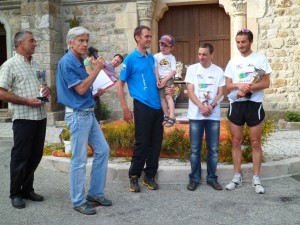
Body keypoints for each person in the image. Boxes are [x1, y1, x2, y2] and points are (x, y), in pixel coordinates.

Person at [56, 26, 111, 215]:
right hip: (78, 115)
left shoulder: (79, 61)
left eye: (86, 40)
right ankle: (78, 201)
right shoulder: (68, 62)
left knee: (103, 150)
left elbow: (86, 88)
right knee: (79, 160)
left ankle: (95, 193)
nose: (85, 44)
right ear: (70, 42)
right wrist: (97, 69)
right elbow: (80, 89)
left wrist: (97, 89)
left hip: (87, 112)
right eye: (80, 40)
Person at [117, 25, 172, 193]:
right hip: (142, 107)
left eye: (150, 36)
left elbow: (159, 81)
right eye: (146, 36)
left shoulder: (151, 58)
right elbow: (119, 84)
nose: (149, 39)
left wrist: (167, 90)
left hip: (157, 107)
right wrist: (125, 109)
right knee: (142, 143)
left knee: (156, 144)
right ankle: (134, 177)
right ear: (137, 38)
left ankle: (149, 176)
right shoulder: (130, 59)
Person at [0, 31, 51, 209]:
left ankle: (27, 189)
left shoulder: (36, 64)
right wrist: (25, 101)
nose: (35, 43)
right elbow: (1, 92)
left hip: (40, 116)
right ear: (20, 43)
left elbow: (43, 86)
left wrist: (47, 91)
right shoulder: (9, 65)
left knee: (35, 155)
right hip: (23, 118)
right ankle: (15, 193)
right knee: (20, 157)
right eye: (32, 40)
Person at [224, 29, 272, 194]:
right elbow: (227, 85)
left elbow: (266, 83)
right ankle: (236, 176)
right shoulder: (233, 61)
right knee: (236, 141)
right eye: (238, 42)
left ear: (250, 41)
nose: (240, 45)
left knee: (255, 143)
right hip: (237, 104)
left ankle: (256, 178)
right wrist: (239, 86)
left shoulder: (260, 59)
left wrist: (249, 87)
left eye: (243, 42)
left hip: (254, 104)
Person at [185, 43, 225, 191]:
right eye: (199, 54)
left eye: (204, 54)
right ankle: (194, 179)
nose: (201, 57)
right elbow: (190, 91)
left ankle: (211, 179)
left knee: (213, 149)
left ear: (211, 55)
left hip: (213, 116)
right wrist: (201, 107)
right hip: (196, 115)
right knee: (195, 149)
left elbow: (221, 93)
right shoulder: (192, 69)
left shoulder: (219, 71)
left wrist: (211, 106)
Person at [84, 52, 123, 121]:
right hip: (89, 89)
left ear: (119, 64)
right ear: (112, 58)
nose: (115, 62)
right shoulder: (105, 64)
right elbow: (95, 66)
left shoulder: (113, 72)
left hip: (96, 92)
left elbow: (118, 78)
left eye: (118, 62)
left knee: (97, 113)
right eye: (115, 60)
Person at [154, 35, 176, 127]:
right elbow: (156, 69)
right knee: (162, 99)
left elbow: (173, 71)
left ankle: (172, 116)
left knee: (168, 97)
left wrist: (165, 80)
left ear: (171, 47)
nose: (163, 47)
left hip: (168, 79)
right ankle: (166, 115)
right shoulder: (156, 56)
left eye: (166, 45)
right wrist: (158, 80)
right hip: (160, 80)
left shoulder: (171, 57)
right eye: (161, 44)